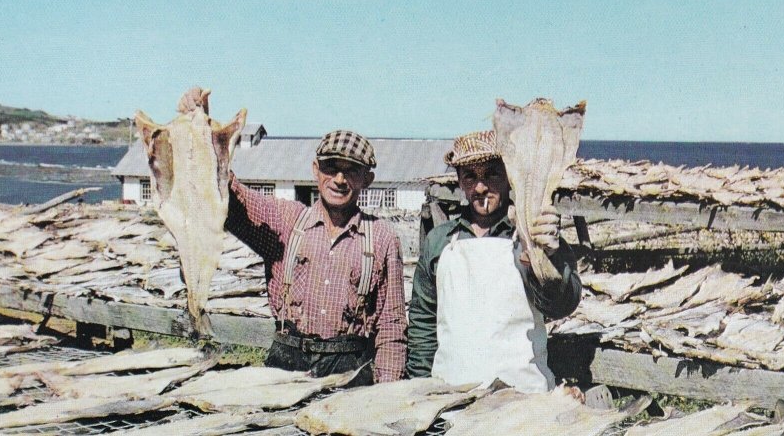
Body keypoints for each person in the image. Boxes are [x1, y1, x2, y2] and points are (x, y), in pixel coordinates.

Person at [180, 88, 407, 385]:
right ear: (315, 171)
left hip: (351, 370)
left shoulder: (382, 238)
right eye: (330, 168)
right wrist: (199, 128)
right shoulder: (285, 220)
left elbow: (391, 327)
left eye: (351, 171)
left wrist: (387, 397)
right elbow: (230, 200)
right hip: (287, 364)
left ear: (367, 179)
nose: (339, 179)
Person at [406, 130, 581, 393]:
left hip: (522, 400)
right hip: (452, 399)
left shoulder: (532, 236)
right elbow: (423, 322)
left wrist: (549, 260)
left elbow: (562, 304)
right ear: (460, 182)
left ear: (510, 177)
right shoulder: (439, 241)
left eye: (491, 174)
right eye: (470, 176)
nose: (480, 187)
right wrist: (420, 389)